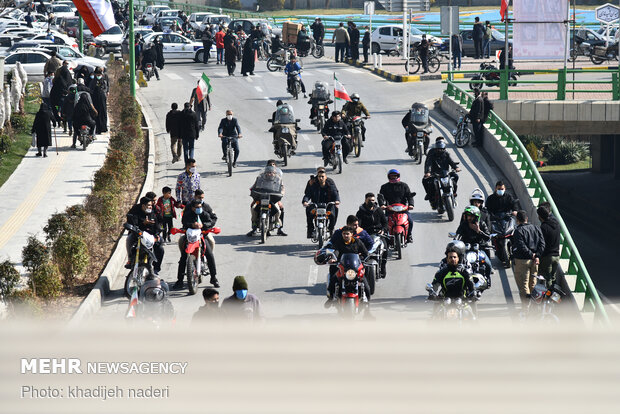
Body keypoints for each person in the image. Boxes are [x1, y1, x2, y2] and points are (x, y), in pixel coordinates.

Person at [174, 199, 219, 289]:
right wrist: (192, 225)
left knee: (210, 255)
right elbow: (184, 223)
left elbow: (210, 222)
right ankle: (180, 280)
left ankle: (213, 278)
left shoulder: (204, 214)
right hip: (189, 237)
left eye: (200, 207)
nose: (199, 208)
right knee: (183, 257)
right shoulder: (187, 214)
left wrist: (204, 225)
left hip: (203, 236)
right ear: (192, 208)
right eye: (197, 207)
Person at [324, 225, 370, 302]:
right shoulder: (339, 242)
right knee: (333, 280)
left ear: (352, 234)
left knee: (367, 287)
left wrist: (364, 259)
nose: (345, 235)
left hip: (355, 267)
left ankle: (367, 308)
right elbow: (336, 252)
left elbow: (366, 253)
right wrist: (333, 258)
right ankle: (330, 298)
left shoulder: (357, 242)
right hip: (342, 267)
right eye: (344, 233)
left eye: (347, 234)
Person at [455, 205, 493, 287]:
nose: (469, 218)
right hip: (466, 249)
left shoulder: (482, 224)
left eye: (471, 216)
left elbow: (488, 238)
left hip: (480, 249)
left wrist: (478, 231)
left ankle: (488, 278)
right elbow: (458, 234)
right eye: (468, 216)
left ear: (476, 217)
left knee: (488, 264)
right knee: (457, 263)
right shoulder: (464, 224)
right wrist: (455, 241)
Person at [125, 197, 165, 275]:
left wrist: (157, 234)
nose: (150, 207)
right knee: (129, 239)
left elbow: (157, 225)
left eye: (151, 205)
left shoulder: (152, 213)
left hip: (149, 236)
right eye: (148, 205)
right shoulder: (135, 211)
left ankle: (156, 269)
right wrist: (143, 223)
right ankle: (130, 259)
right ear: (143, 206)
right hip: (137, 235)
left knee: (160, 248)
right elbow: (132, 223)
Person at [512, 210, 546, 300]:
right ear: (527, 218)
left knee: (524, 286)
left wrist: (532, 255)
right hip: (535, 262)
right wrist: (537, 256)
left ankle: (526, 310)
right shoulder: (536, 228)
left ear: (517, 220)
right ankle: (534, 307)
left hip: (522, 261)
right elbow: (542, 244)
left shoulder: (518, 231)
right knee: (533, 285)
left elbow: (521, 246)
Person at [247, 164, 287, 237]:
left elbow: (282, 189)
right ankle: (254, 227)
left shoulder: (278, 179)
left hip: (273, 198)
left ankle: (278, 226)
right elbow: (254, 187)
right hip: (261, 197)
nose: (270, 173)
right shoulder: (260, 178)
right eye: (269, 172)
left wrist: (280, 196)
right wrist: (253, 192)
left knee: (278, 210)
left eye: (272, 172)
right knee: (253, 209)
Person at [379, 169, 415, 244]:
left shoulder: (404, 185)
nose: (393, 178)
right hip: (390, 210)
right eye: (392, 177)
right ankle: (385, 238)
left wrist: (411, 204)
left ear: (398, 176)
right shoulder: (384, 187)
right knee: (384, 222)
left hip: (403, 209)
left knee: (410, 221)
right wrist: (382, 205)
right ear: (389, 177)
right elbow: (380, 197)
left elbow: (409, 196)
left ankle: (409, 235)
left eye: (395, 176)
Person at [302, 168, 340, 238]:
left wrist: (337, 200)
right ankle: (310, 230)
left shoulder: (330, 182)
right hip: (316, 204)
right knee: (309, 212)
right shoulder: (313, 182)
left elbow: (335, 192)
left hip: (328, 205)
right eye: (319, 176)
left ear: (326, 177)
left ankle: (331, 229)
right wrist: (305, 201)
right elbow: (308, 194)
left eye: (322, 176)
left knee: (334, 212)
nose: (321, 178)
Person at [422, 140, 460, 204]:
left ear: (444, 149)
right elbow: (429, 164)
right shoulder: (432, 155)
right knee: (425, 181)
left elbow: (451, 161)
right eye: (438, 149)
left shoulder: (446, 154)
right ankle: (429, 194)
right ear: (436, 149)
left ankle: (454, 193)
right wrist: (428, 172)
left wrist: (456, 167)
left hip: (445, 173)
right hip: (435, 173)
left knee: (455, 177)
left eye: (441, 149)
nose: (440, 151)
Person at [537, 205, 560, 287]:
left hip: (547, 257)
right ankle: (555, 295)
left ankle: (549, 297)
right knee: (553, 278)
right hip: (556, 256)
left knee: (547, 279)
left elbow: (541, 244)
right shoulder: (556, 223)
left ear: (540, 216)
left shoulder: (543, 227)